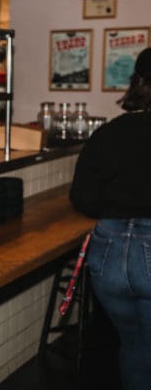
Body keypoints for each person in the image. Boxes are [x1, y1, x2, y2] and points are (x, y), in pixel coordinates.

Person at [69, 47, 151, 390]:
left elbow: (83, 198)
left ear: (139, 83)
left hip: (108, 255)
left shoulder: (109, 133)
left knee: (135, 345)